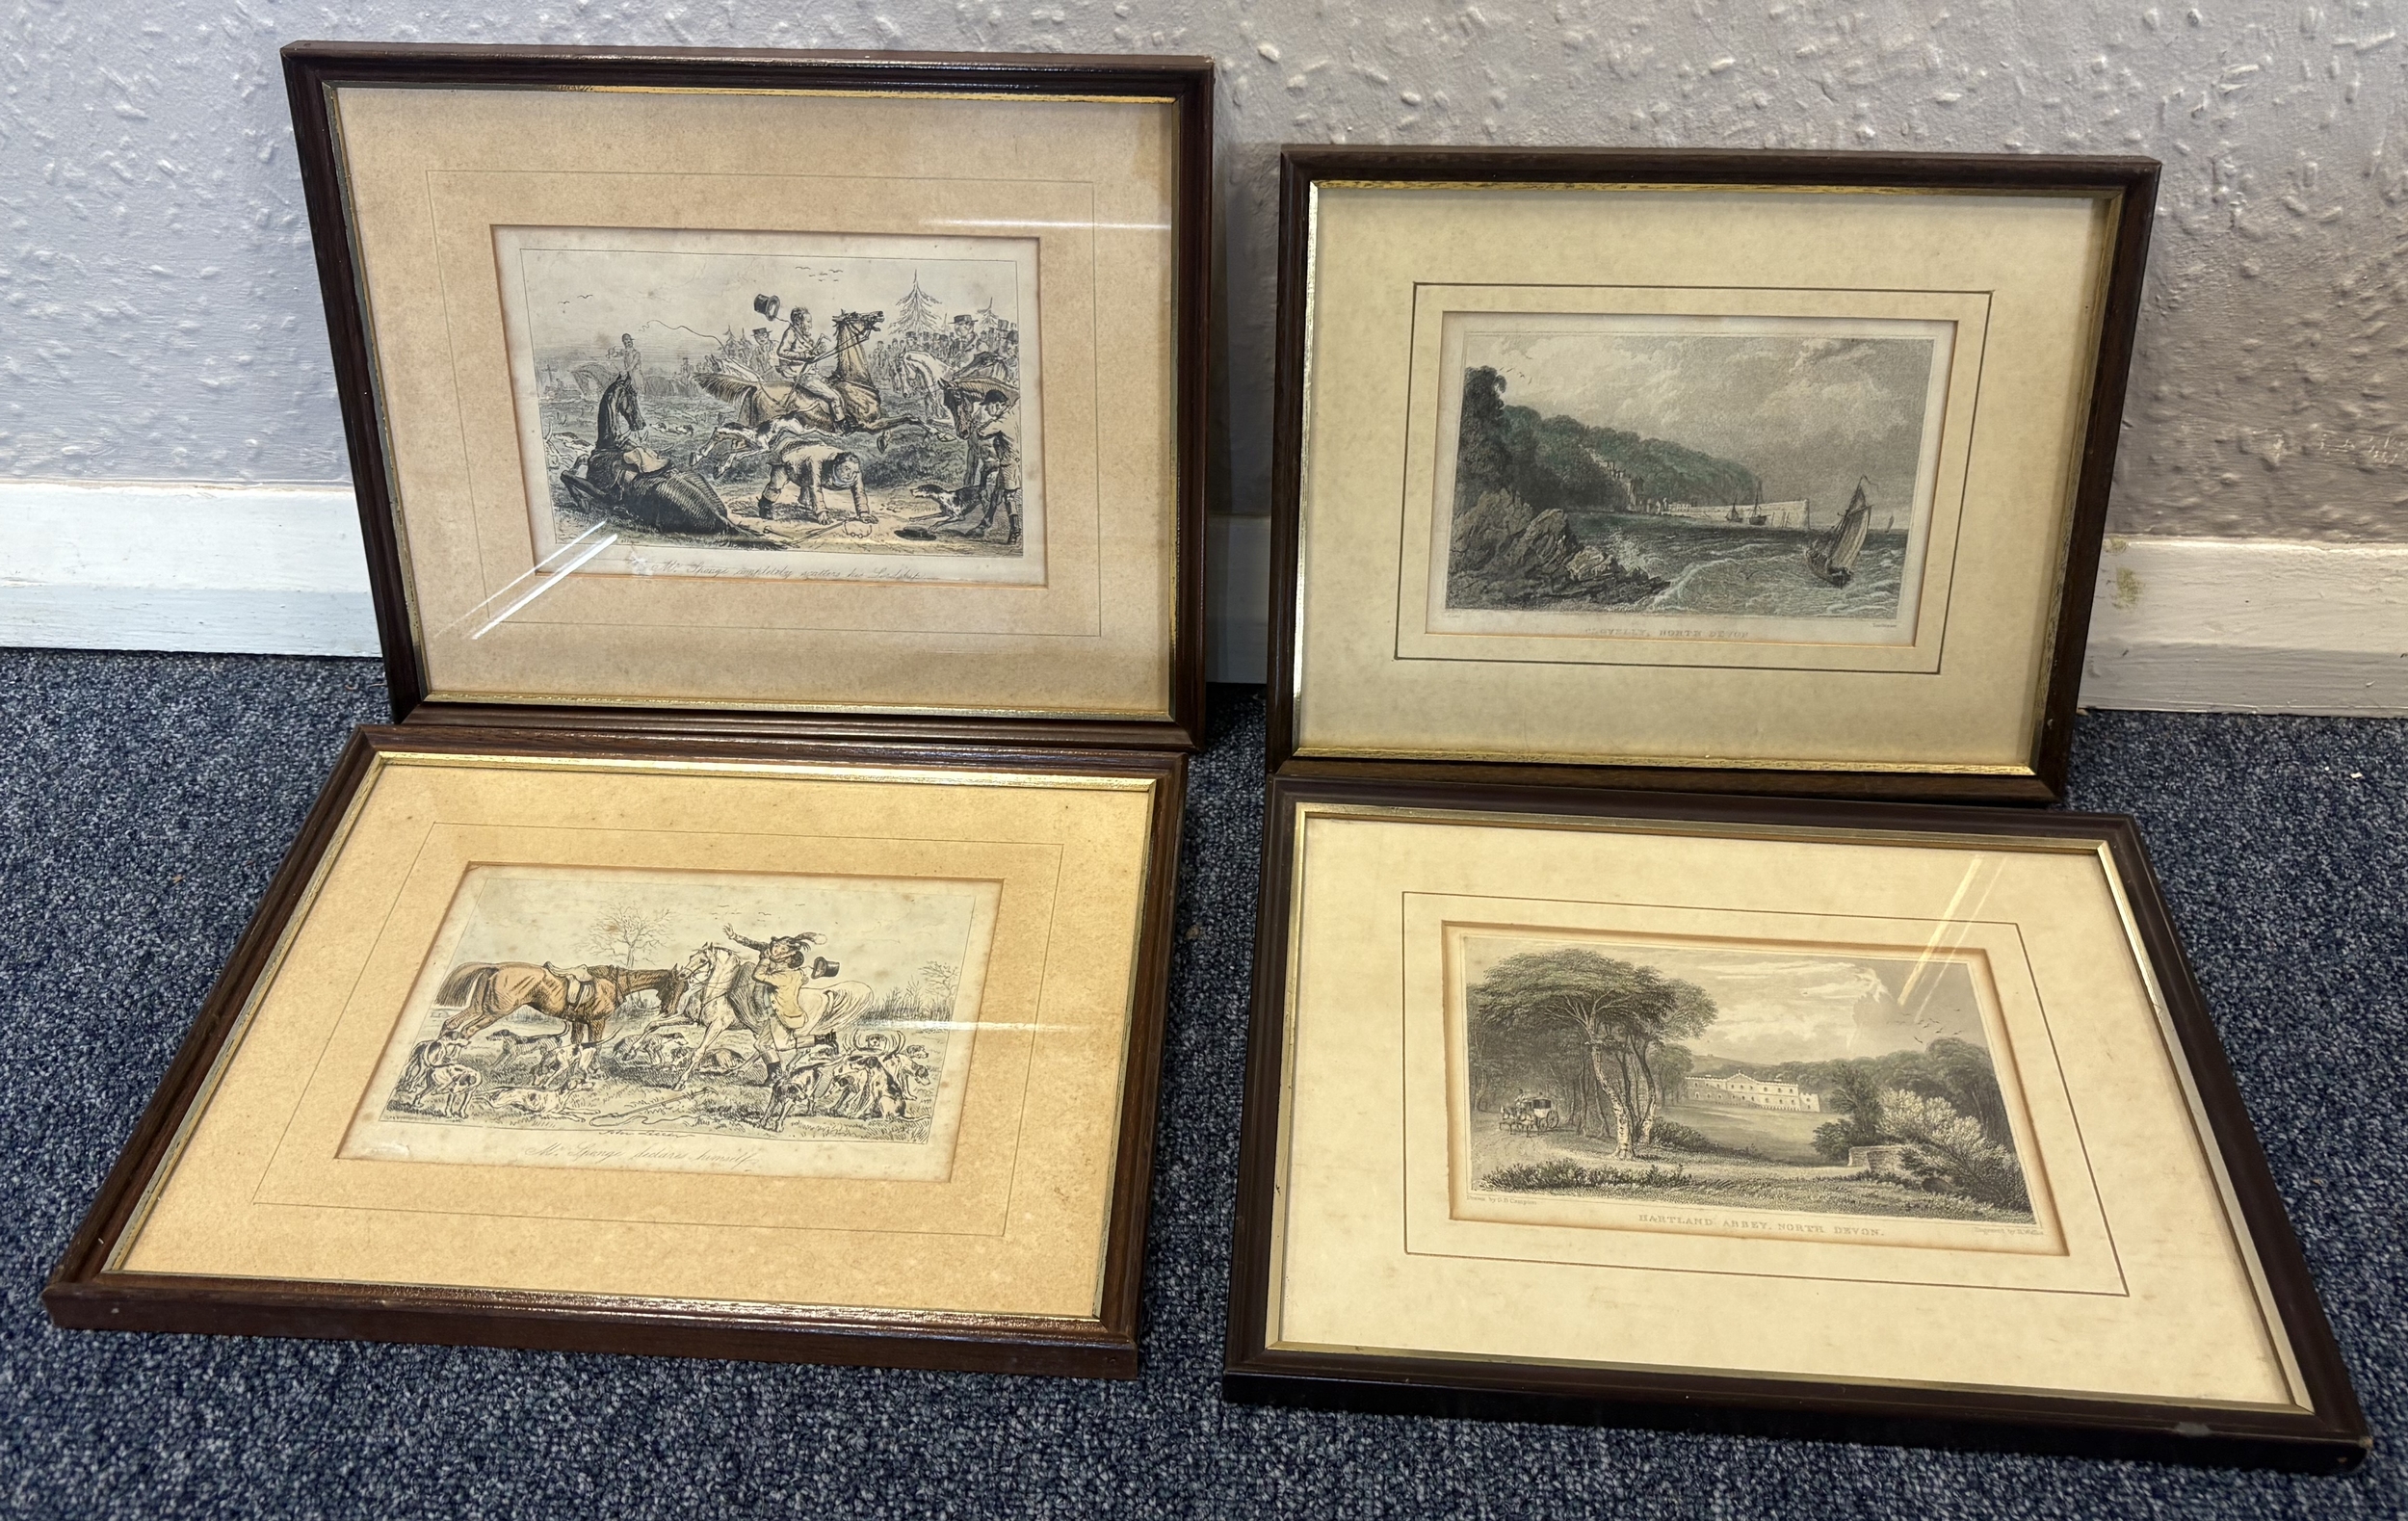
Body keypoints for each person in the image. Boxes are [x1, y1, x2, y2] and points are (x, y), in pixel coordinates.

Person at [773, 306, 847, 422]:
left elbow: (809, 356)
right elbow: (781, 352)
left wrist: (816, 351)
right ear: (798, 321)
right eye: (808, 322)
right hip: (803, 376)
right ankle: (842, 425)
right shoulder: (791, 332)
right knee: (834, 398)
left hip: (812, 374)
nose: (810, 325)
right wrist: (804, 355)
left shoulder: (803, 335)